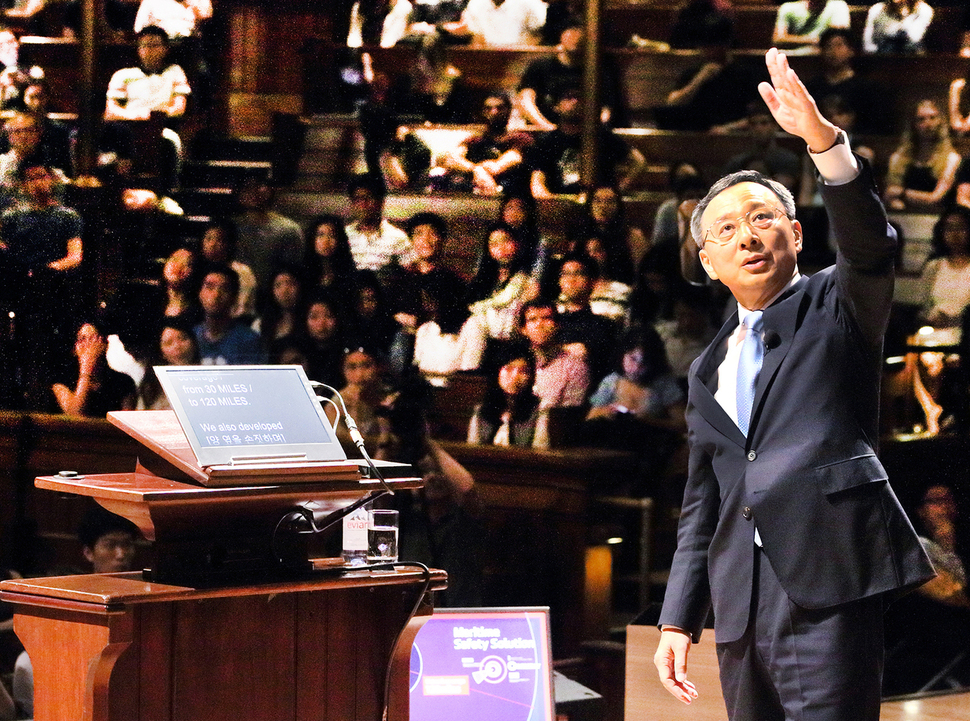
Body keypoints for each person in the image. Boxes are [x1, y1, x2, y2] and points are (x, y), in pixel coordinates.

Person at [653, 48, 934, 720]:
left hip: (828, 580)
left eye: (762, 218)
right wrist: (676, 617)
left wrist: (822, 143)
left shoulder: (839, 303)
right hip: (742, 599)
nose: (747, 235)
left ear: (796, 233)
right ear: (710, 264)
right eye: (726, 230)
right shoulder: (707, 366)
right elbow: (705, 499)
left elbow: (869, 244)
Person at [0, 158, 83, 410]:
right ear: (23, 185)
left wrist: (47, 271)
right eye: (32, 178)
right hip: (16, 283)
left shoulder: (67, 216)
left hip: (51, 287)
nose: (38, 183)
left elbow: (75, 256)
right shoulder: (12, 217)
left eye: (43, 177)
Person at [103, 26, 190, 189]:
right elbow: (110, 111)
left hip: (161, 126)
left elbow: (179, 108)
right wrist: (136, 116)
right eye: (144, 45)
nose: (148, 50)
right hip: (128, 126)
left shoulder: (175, 72)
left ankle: (170, 190)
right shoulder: (123, 75)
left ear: (165, 49)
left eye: (154, 45)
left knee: (171, 142)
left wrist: (154, 117)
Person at [529, 87, 644, 198]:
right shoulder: (547, 141)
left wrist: (616, 192)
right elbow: (537, 182)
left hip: (596, 208)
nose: (575, 101)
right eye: (569, 97)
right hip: (561, 203)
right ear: (556, 106)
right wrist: (552, 202)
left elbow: (638, 161)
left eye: (579, 97)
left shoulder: (602, 135)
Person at [516, 20, 624, 130]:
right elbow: (526, 101)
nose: (575, 37)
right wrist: (549, 129)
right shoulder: (540, 66)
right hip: (546, 132)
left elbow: (607, 109)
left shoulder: (601, 70)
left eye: (580, 32)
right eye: (571, 31)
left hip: (587, 135)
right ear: (561, 35)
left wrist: (590, 132)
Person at [438, 92, 532, 195]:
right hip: (474, 188)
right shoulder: (474, 140)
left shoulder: (520, 139)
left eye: (499, 108)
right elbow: (452, 159)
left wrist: (478, 170)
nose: (494, 112)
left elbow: (499, 166)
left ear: (508, 110)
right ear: (483, 112)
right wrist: (476, 170)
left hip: (508, 191)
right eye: (488, 108)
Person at [884, 98, 961, 212]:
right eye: (921, 119)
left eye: (932, 118)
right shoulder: (898, 158)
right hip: (907, 218)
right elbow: (890, 195)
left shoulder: (951, 158)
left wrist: (902, 193)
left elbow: (936, 198)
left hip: (939, 219)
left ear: (940, 121)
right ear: (913, 124)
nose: (928, 124)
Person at [232, 175, 303, 291]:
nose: (254, 191)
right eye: (247, 187)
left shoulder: (288, 229)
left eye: (259, 185)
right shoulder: (231, 228)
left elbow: (292, 269)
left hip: (273, 295)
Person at [52, 321, 137, 417]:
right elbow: (75, 415)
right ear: (75, 348)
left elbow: (125, 425)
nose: (88, 345)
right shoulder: (62, 380)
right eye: (82, 339)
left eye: (93, 339)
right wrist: (86, 368)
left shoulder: (124, 382)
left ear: (104, 344)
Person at [519, 298, 589, 410]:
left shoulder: (574, 366)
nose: (539, 324)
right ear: (523, 329)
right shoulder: (515, 365)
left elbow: (569, 414)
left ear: (557, 325)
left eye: (546, 318)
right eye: (532, 319)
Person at [721, 101, 801, 197]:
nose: (758, 128)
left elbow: (781, 191)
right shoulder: (737, 161)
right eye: (754, 124)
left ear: (775, 126)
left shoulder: (787, 159)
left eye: (764, 123)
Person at [467, 354, 546, 447]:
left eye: (523, 371)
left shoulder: (539, 410)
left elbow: (540, 452)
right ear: (498, 372)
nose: (515, 376)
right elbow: (472, 447)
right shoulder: (482, 408)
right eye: (509, 368)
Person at [194, 264, 264, 365]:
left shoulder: (249, 340)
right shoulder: (191, 337)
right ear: (200, 293)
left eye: (224, 289)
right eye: (209, 287)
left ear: (234, 297)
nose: (216, 295)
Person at [344, 173, 413, 274]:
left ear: (381, 202)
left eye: (368, 198)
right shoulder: (344, 235)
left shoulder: (398, 238)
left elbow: (409, 273)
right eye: (358, 199)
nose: (363, 204)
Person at [916, 205, 970, 331]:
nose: (955, 234)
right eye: (949, 228)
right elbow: (923, 307)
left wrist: (955, 320)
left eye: (961, 228)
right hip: (934, 332)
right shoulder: (934, 266)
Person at [137, 316, 201, 409]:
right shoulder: (152, 385)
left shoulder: (208, 375)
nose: (177, 346)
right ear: (161, 352)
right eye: (169, 343)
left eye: (183, 338)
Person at [200, 218, 257, 320]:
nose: (212, 244)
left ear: (230, 244)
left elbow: (242, 309)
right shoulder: (198, 269)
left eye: (219, 240)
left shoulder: (242, 272)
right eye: (208, 239)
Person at [452, 0, 546, 47]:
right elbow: (475, 37)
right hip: (488, 60)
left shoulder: (531, 3)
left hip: (521, 59)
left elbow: (537, 36)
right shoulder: (476, 4)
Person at [772, 0, 850, 52]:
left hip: (824, 56)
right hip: (796, 55)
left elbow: (839, 37)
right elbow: (778, 39)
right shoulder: (788, 8)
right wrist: (814, 40)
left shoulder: (838, 6)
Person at [863, 0, 934, 55]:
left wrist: (904, 17)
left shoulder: (923, 10)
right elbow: (868, 43)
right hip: (882, 57)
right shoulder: (876, 10)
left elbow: (914, 38)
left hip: (913, 57)